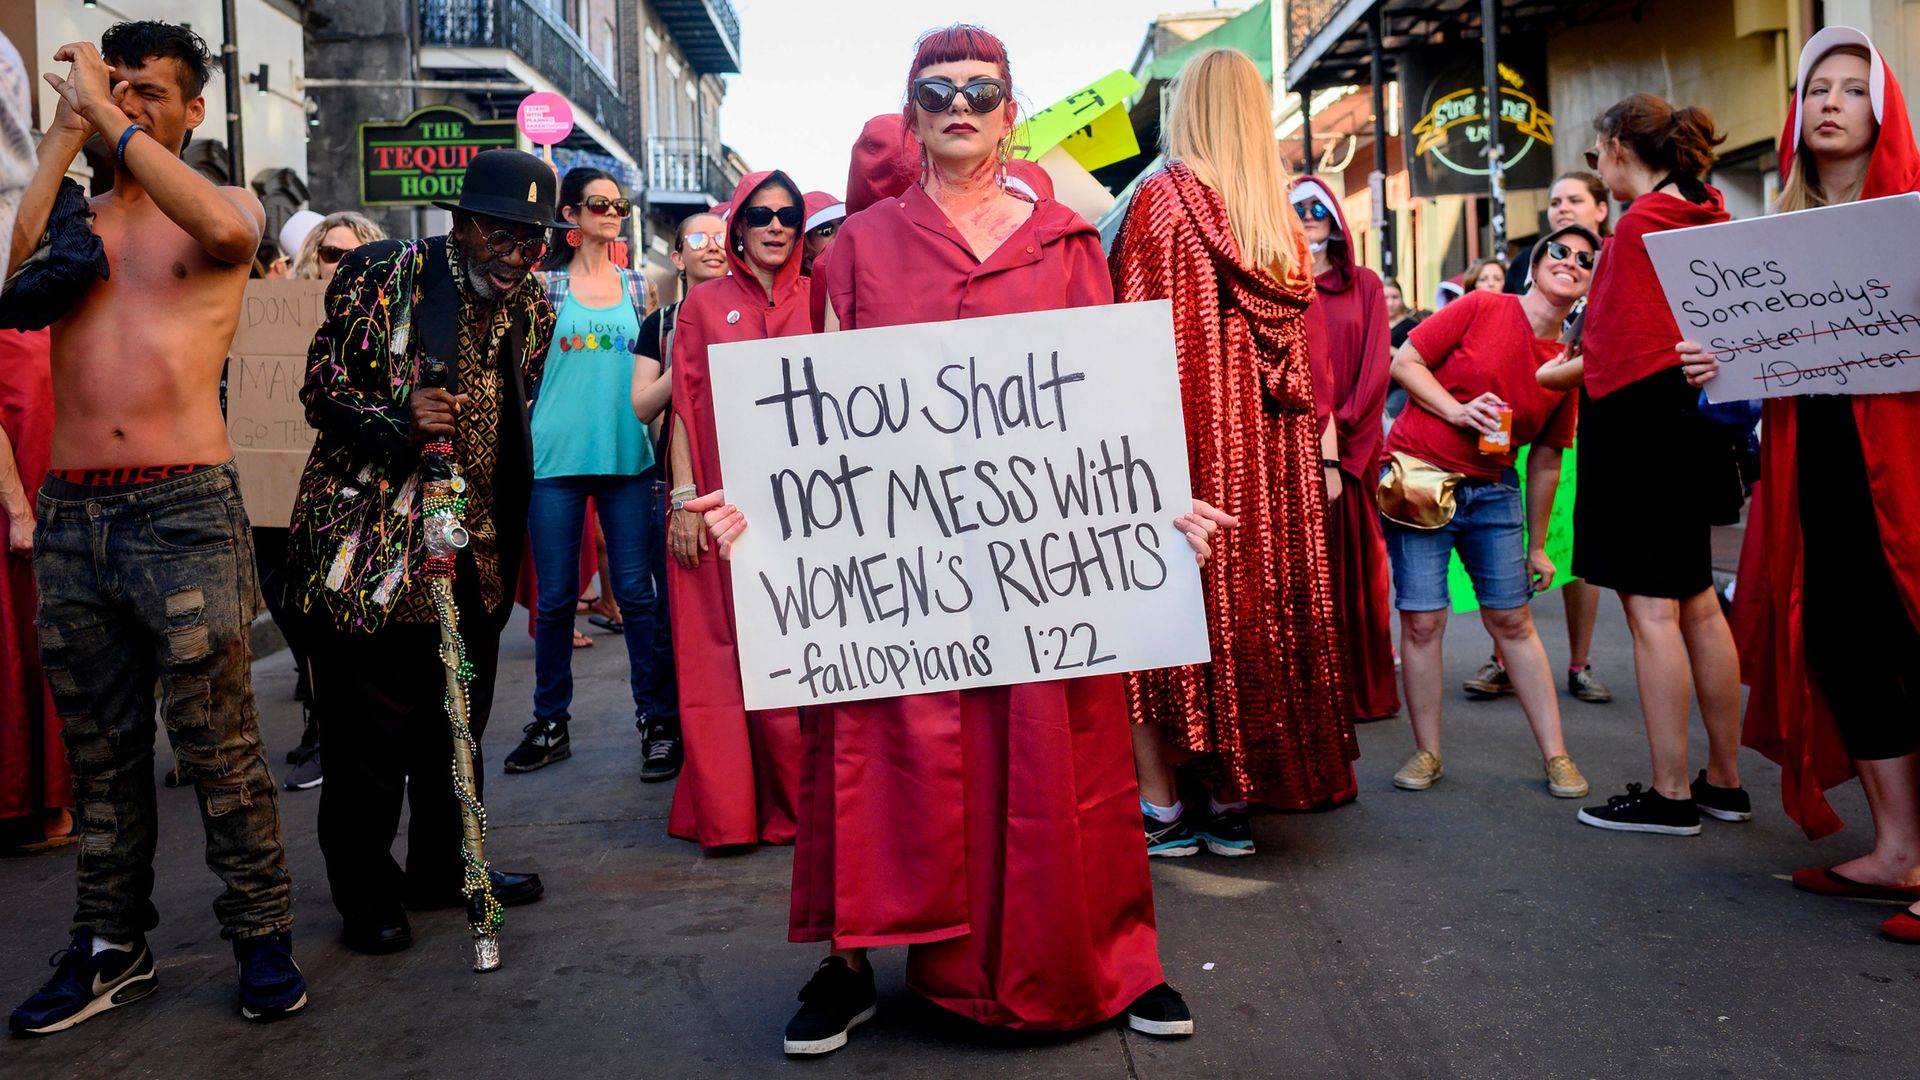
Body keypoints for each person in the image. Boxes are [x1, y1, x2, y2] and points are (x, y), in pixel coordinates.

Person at [722, 25, 1219, 1056]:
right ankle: (851, 962)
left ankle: (1118, 963)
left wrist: (1165, 507)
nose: (960, 104)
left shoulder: (1068, 243)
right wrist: (754, 508)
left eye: (981, 90)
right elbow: (815, 409)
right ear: (911, 114)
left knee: (1064, 753)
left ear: (1008, 108)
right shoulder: (855, 248)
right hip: (906, 572)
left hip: (1042, 574)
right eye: (937, 90)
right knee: (874, 747)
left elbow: (1112, 412)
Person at [5, 22, 307, 1033]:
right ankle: (109, 945)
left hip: (183, 508)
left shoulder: (226, 207)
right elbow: (17, 285)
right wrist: (59, 135)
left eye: (146, 91)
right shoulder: (80, 218)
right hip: (76, 512)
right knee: (100, 754)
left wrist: (103, 113)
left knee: (217, 745)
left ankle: (262, 936)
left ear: (190, 113)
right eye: (114, 84)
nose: (124, 100)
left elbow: (229, 242)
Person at [287, 148, 557, 955]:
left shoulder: (534, 308)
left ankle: (449, 869)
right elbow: (321, 387)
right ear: (463, 223)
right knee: (368, 743)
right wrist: (397, 422)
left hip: (470, 555)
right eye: (503, 237)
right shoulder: (383, 273)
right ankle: (367, 893)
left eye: (533, 242)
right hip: (370, 554)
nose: (516, 257)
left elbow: (511, 422)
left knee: (457, 726)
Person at [1690, 27, 1920, 940]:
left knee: (1912, 641)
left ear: (1883, 109)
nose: (1829, 100)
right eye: (1815, 87)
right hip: (1816, 469)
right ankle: (1899, 849)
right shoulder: (1773, 238)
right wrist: (1714, 361)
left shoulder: (1914, 215)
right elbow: (1746, 384)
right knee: (1848, 645)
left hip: (1903, 466)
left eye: (1852, 88)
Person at [1570, 93, 1746, 837]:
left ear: (1617, 146)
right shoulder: (1710, 210)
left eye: (1598, 150)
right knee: (1700, 602)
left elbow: (1607, 354)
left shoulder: (1639, 224)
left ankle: (1672, 793)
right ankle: (1724, 783)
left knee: (1651, 611)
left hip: (1639, 428)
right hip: (1696, 423)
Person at [1381, 225, 1599, 801]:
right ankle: (1427, 751)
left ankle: (1558, 755)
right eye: (1559, 250)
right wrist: (1456, 411)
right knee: (1423, 619)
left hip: (1495, 489)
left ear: (1589, 282)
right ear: (1534, 263)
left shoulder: (1568, 360)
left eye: (1584, 258)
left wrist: (1537, 545)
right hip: (1422, 476)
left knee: (1513, 622)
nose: (1570, 261)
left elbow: (1548, 456)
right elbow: (1405, 363)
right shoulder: (1481, 306)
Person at [664, 171, 808, 850]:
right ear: (738, 227)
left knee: (800, 652)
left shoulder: (827, 295)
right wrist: (685, 499)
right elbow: (685, 411)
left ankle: (809, 806)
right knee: (728, 658)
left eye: (788, 214)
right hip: (728, 512)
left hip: (814, 512)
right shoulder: (701, 306)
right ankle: (732, 810)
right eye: (761, 214)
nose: (776, 225)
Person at [505, 167, 660, 774]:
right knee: (555, 601)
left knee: (636, 597)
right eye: (598, 204)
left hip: (627, 457)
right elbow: (519, 373)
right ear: (569, 215)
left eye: (618, 202)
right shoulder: (543, 289)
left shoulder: (637, 286)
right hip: (554, 460)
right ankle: (550, 722)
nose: (612, 212)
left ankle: (655, 719)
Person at [1471, 171, 1616, 706]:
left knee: (1577, 549)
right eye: (1555, 201)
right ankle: (1504, 656)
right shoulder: (1526, 264)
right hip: (1518, 415)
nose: (1562, 209)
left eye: (1575, 200)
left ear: (1601, 209)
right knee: (1509, 539)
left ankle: (1580, 663)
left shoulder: (1615, 266)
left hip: (1586, 418)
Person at [270, 209, 387, 793]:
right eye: (330, 254)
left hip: (358, 500)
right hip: (278, 500)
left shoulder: (391, 325)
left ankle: (355, 733)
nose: (342, 265)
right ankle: (324, 724)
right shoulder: (268, 319)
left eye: (356, 254)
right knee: (298, 615)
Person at [1290, 176, 1400, 729]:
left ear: (1335, 217)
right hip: (1290, 450)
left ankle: (1361, 692)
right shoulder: (1277, 282)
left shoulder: (1366, 287)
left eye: (1317, 207)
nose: (1308, 215)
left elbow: (1376, 367)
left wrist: (1341, 437)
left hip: (1350, 455)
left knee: (1359, 580)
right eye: (1296, 208)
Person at [629, 212, 727, 784]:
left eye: (721, 235)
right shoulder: (661, 324)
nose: (711, 247)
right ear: (677, 254)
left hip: (742, 475)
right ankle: (664, 728)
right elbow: (643, 406)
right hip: (677, 481)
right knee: (672, 614)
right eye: (698, 238)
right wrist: (691, 350)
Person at [0, 329, 71, 856]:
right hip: (16, 516)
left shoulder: (46, 311)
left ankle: (48, 795)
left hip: (52, 508)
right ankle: (24, 801)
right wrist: (18, 511)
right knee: (17, 645)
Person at [291, 210, 382, 282]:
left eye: (357, 256)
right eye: (332, 253)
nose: (343, 264)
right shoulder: (294, 303)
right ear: (315, 259)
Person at [800, 191, 844, 276]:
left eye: (843, 222)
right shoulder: (801, 288)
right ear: (804, 247)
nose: (840, 232)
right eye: (826, 228)